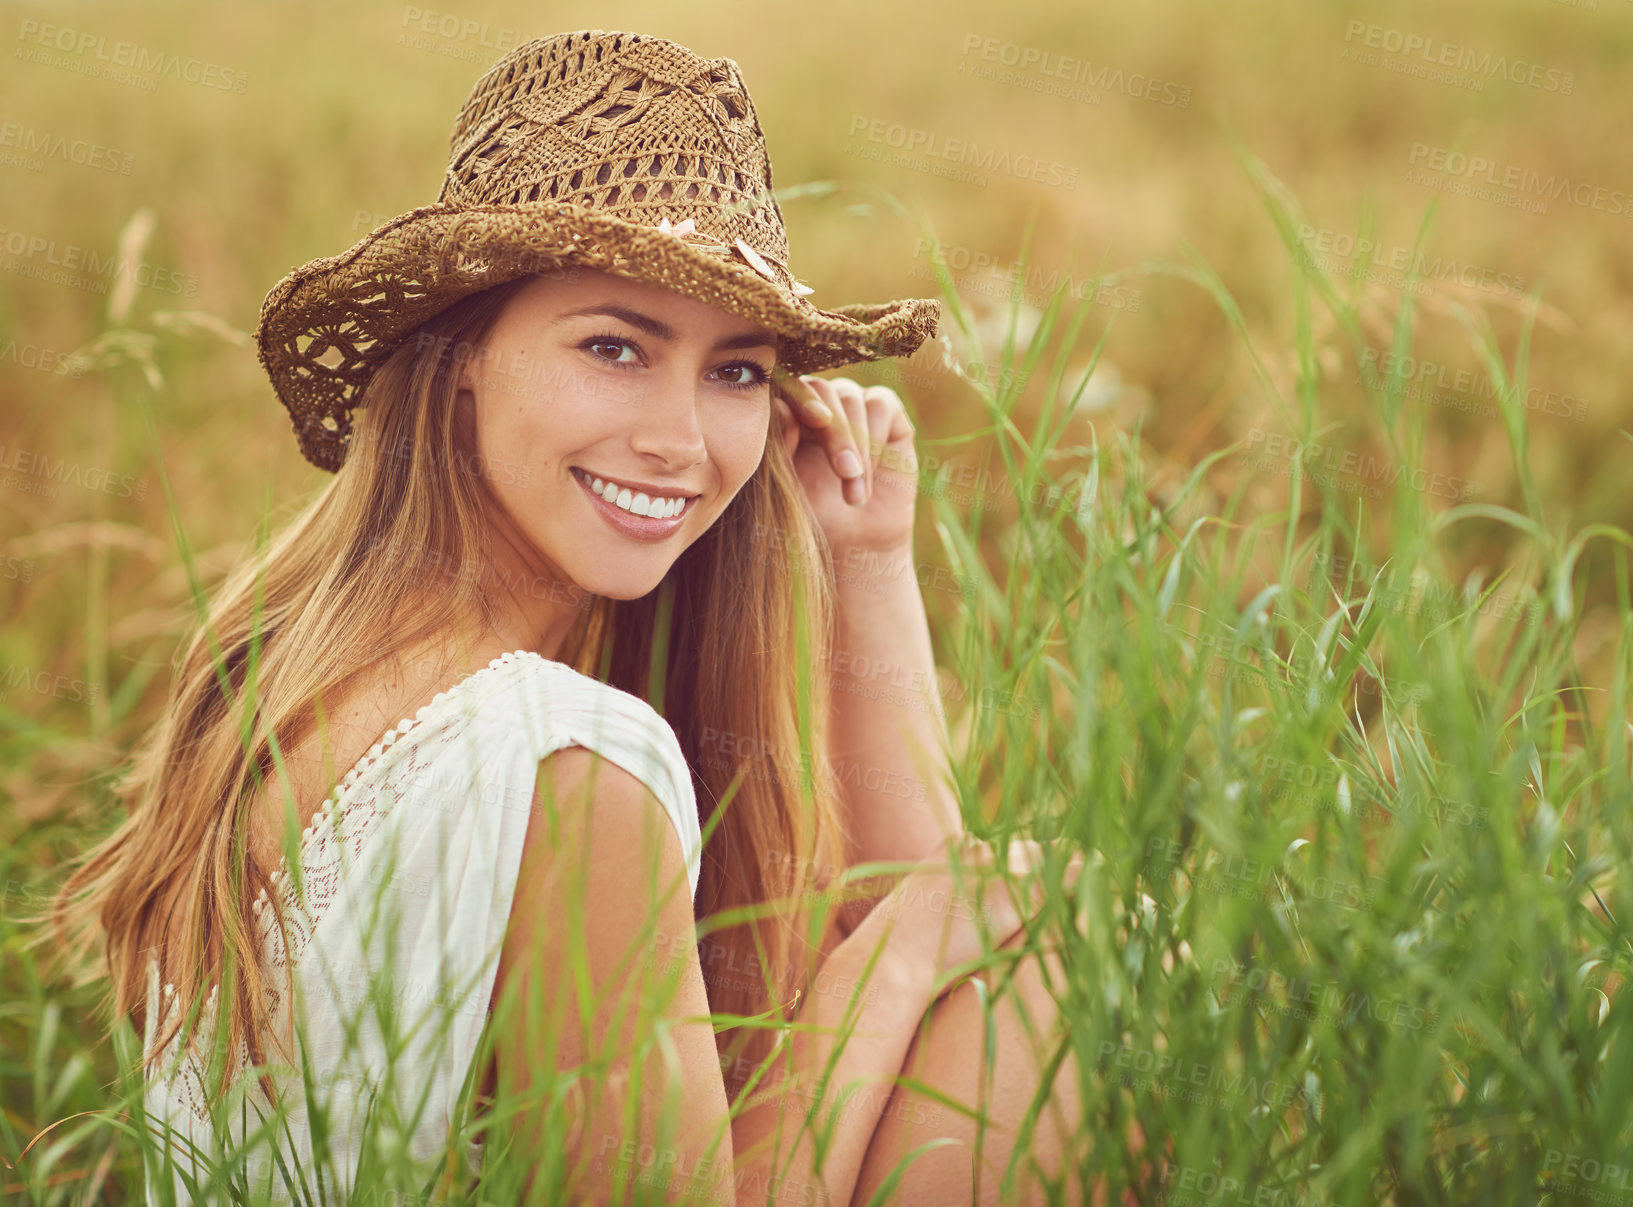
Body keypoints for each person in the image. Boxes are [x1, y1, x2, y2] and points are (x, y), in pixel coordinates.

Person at [44, 28, 1100, 1205]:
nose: (682, 439)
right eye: (613, 346)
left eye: (737, 371)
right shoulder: (565, 759)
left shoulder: (279, 666)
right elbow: (933, 939)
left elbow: (904, 914)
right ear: (462, 355)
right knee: (1041, 975)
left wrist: (866, 561)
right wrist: (903, 958)